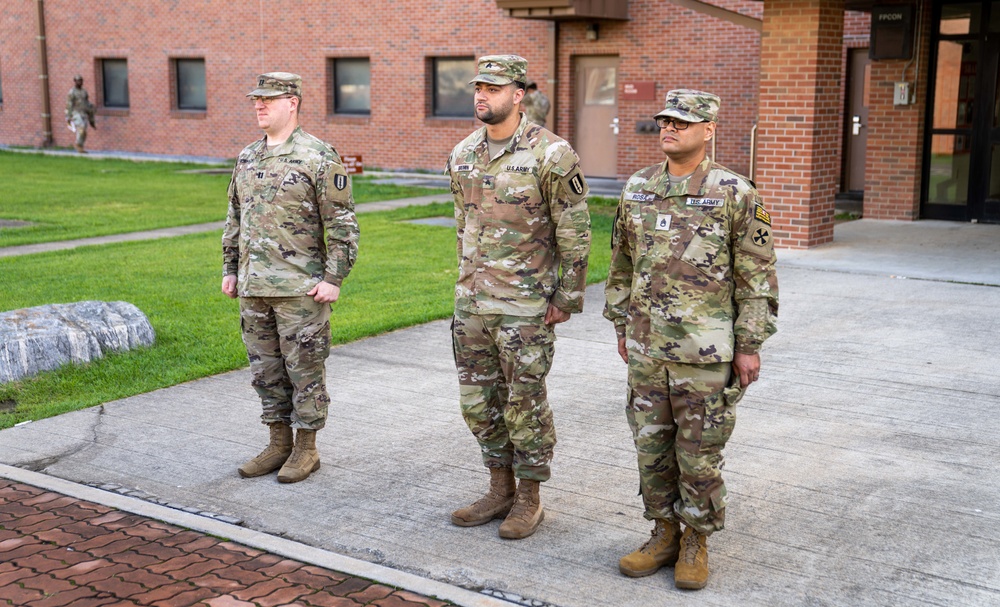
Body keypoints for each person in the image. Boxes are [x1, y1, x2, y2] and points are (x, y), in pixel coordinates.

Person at [603, 89, 778, 589]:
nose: (670, 129)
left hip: (704, 352)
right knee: (651, 447)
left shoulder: (735, 193)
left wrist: (749, 344)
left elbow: (757, 277)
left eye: (682, 122)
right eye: (665, 121)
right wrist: (621, 324)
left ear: (709, 129)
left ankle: (696, 540)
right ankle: (663, 534)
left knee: (699, 452)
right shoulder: (638, 188)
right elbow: (621, 264)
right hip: (646, 348)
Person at [446, 55, 591, 539]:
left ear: (518, 94)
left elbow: (575, 232)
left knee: (524, 404)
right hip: (472, 304)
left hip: (525, 306)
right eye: (477, 88)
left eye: (493, 87)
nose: (481, 95)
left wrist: (566, 297)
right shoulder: (463, 152)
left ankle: (529, 499)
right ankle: (498, 488)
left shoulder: (552, 154)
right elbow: (462, 223)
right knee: (478, 403)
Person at [222, 72, 359, 484]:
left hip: (300, 289)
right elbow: (235, 218)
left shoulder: (319, 156)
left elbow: (342, 224)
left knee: (305, 371)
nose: (259, 106)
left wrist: (334, 277)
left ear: (293, 102)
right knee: (265, 371)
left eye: (269, 99)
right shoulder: (248, 156)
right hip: (254, 287)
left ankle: (306, 449)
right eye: (256, 100)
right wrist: (230, 268)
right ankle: (278, 442)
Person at [66, 75, 95, 153]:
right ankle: (78, 144)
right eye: (78, 80)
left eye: (81, 80)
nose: (80, 82)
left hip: (84, 113)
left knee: (84, 131)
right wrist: (68, 116)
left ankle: (80, 147)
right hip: (76, 113)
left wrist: (90, 109)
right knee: (81, 128)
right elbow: (69, 104)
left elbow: (86, 102)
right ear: (75, 81)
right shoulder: (72, 92)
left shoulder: (84, 91)